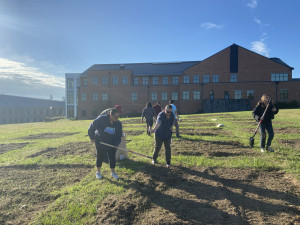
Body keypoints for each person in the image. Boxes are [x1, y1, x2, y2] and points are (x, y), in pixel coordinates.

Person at [88, 108, 122, 180]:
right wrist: (92, 137)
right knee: (100, 157)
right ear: (110, 114)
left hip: (111, 143)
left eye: (118, 117)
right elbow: (91, 128)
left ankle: (113, 172)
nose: (116, 119)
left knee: (112, 157)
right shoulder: (101, 119)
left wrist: (116, 144)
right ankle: (98, 172)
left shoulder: (118, 124)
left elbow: (119, 136)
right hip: (100, 141)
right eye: (115, 117)